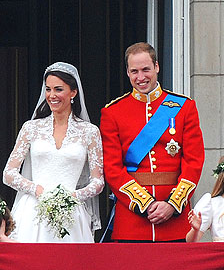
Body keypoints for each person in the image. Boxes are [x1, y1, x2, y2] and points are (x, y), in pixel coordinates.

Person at [101, 42, 205, 242]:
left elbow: (194, 162)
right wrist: (146, 204)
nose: (141, 77)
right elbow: (113, 168)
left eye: (146, 69)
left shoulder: (184, 107)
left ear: (156, 67)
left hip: (175, 222)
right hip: (132, 223)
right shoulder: (113, 112)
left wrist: (172, 205)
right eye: (134, 71)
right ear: (128, 73)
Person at [2, 62, 104, 243]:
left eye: (58, 89)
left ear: (73, 92)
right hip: (32, 210)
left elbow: (98, 181)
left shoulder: (89, 132)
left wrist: (73, 196)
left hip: (71, 212)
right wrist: (37, 190)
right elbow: (8, 174)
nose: (52, 95)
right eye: (48, 89)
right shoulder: (31, 128)